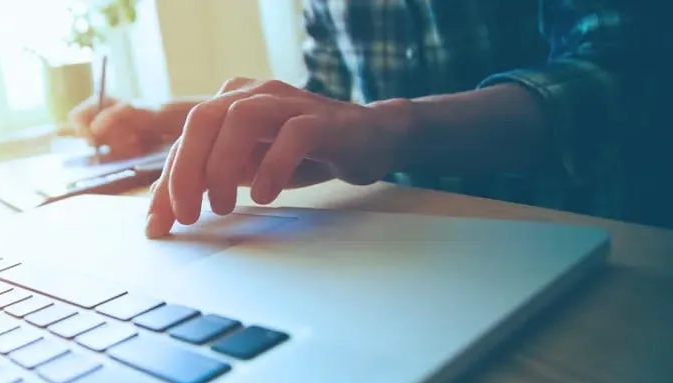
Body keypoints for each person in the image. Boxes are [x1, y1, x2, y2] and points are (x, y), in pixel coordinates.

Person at [69, 0, 670, 238]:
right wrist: (163, 119)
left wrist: (390, 129)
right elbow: (330, 100)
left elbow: (633, 76)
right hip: (396, 239)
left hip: (586, 243)